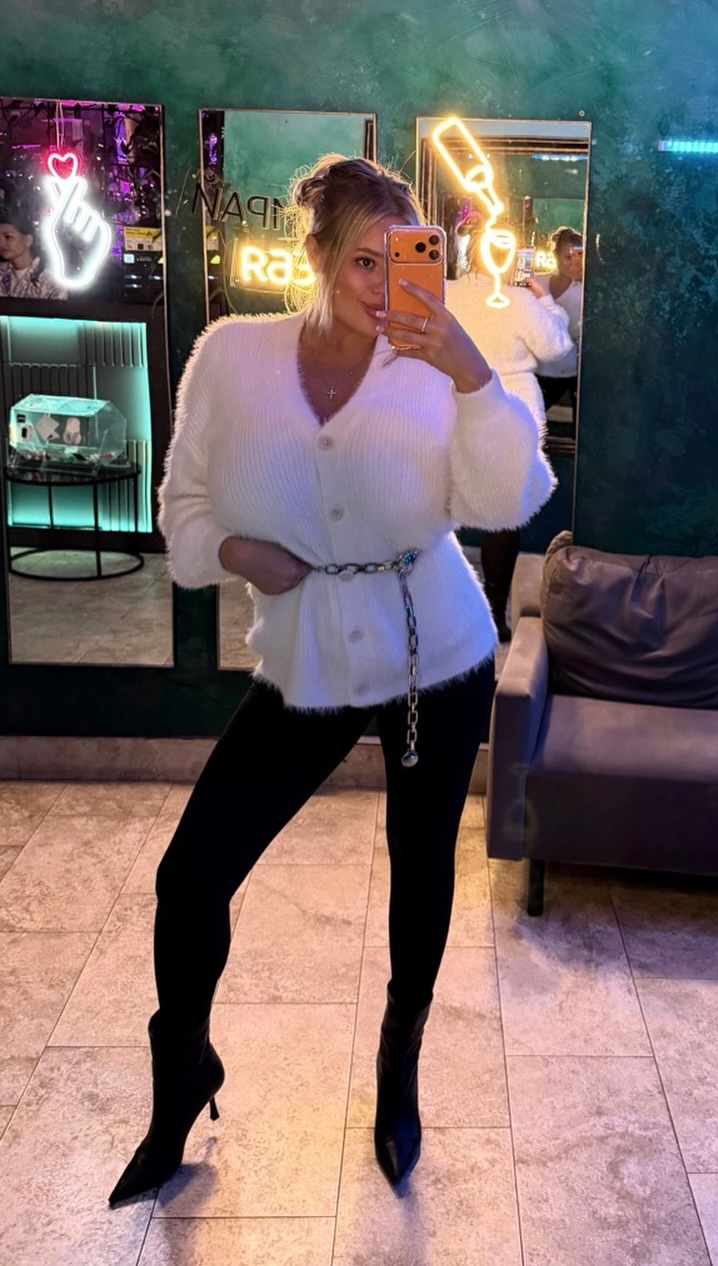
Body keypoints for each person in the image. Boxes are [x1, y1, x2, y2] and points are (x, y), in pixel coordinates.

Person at [108, 155, 555, 1205]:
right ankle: (182, 1074)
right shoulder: (232, 358)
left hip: (434, 652)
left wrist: (469, 373)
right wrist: (234, 552)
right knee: (191, 876)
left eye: (401, 260)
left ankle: (398, 1069)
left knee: (419, 870)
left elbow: (509, 500)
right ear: (313, 255)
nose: (381, 285)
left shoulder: (442, 362)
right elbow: (182, 509)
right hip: (307, 651)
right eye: (361, 260)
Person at [445, 212, 572, 640]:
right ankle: (493, 615)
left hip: (450, 402)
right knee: (503, 516)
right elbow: (557, 348)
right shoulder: (518, 300)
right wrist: (545, 301)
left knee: (440, 506)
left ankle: (445, 609)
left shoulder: (445, 292)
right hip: (509, 410)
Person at [534, 226, 583, 413]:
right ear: (556, 256)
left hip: (570, 370)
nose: (572, 263)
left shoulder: (583, 291)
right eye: (567, 257)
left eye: (578, 257)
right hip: (540, 368)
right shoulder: (537, 282)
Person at [0, 206, 67, 299]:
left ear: (28, 240)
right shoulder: (2, 272)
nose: (1, 243)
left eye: (8, 237)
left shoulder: (51, 278)